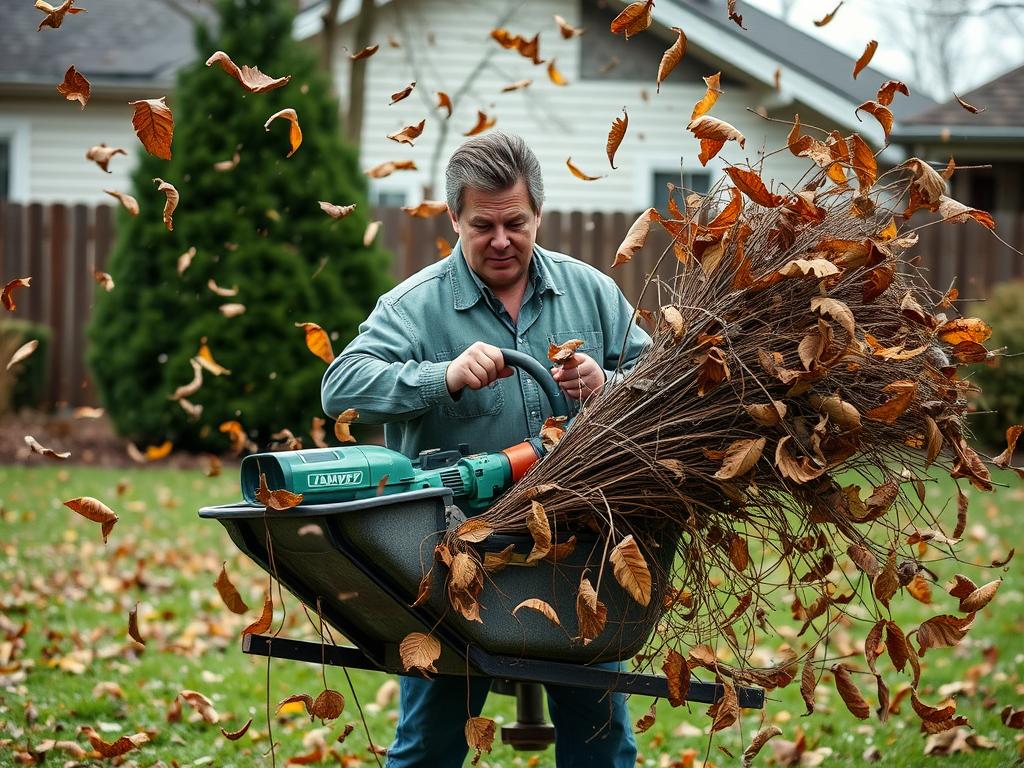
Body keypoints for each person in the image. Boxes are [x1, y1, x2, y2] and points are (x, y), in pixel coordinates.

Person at [321, 132, 651, 767]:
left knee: (600, 738)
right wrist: (438, 376)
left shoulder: (592, 294)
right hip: (452, 556)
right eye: (483, 225)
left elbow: (668, 381)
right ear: (454, 220)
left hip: (577, 550)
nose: (501, 240)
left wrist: (610, 384)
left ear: (537, 216)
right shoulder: (415, 307)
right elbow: (341, 388)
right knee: (428, 744)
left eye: (515, 223)